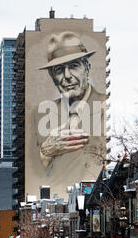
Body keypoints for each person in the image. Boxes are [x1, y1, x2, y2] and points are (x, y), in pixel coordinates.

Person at [38, 31, 106, 169]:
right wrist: (45, 152)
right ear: (52, 76)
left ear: (87, 69)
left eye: (74, 66)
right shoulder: (40, 114)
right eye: (59, 70)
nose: (67, 75)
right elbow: (36, 170)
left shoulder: (105, 107)